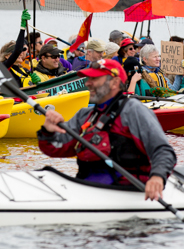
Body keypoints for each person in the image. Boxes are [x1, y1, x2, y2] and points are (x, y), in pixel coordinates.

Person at [38, 58, 176, 198]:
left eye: (95, 78)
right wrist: (48, 131)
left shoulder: (133, 111)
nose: (88, 83)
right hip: (84, 189)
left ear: (115, 83)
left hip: (126, 193)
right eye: (88, 78)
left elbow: (164, 151)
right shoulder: (85, 115)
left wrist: (158, 176)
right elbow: (56, 148)